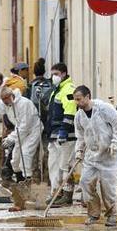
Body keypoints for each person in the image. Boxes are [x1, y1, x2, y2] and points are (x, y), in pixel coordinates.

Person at [72, 85, 117, 227]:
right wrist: (79, 151)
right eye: (75, 100)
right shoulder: (79, 116)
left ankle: (111, 215)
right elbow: (80, 136)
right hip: (91, 156)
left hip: (108, 155)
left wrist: (116, 142)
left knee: (108, 187)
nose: (77, 103)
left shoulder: (104, 109)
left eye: (79, 99)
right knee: (85, 182)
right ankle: (93, 214)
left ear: (87, 97)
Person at [0, 87, 42, 183]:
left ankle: (28, 179)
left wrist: (11, 138)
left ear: (11, 96)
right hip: (19, 131)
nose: (5, 103)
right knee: (15, 157)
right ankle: (20, 179)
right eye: (3, 101)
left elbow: (25, 126)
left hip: (33, 130)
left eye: (6, 100)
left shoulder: (24, 104)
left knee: (25, 153)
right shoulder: (4, 104)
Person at [46, 63, 78, 207]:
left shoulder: (68, 90)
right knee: (54, 165)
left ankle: (66, 195)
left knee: (65, 166)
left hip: (66, 135)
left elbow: (70, 110)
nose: (54, 77)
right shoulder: (57, 90)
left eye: (57, 74)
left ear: (64, 74)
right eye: (53, 74)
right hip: (54, 133)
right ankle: (56, 193)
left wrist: (64, 129)